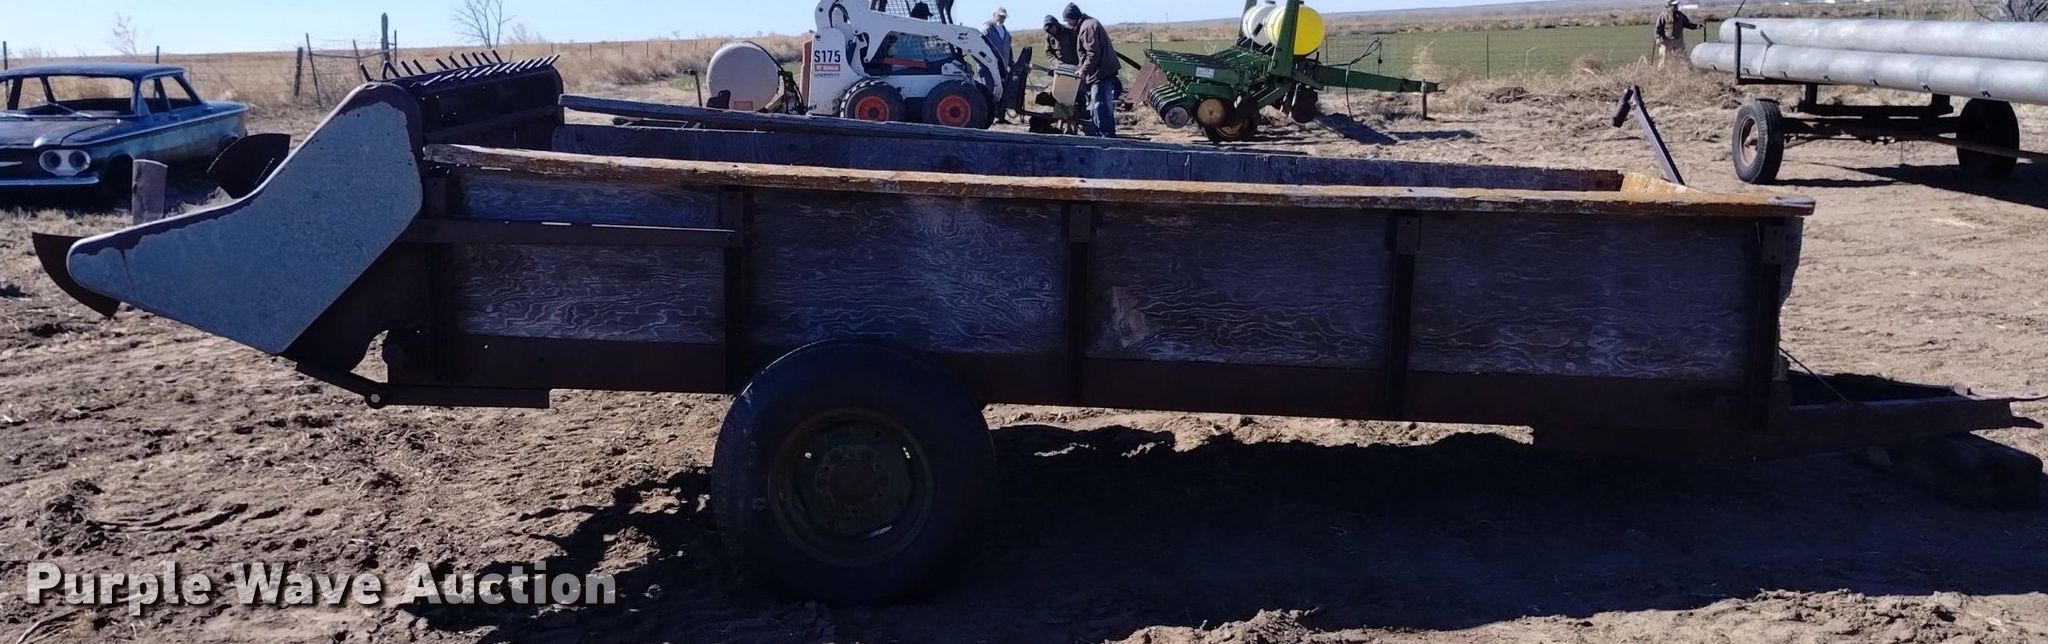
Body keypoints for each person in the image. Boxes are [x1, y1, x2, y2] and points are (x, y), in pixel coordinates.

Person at [1065, 3, 1120, 137]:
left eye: (1067, 20)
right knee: (1099, 103)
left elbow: (1092, 53)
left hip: (1100, 72)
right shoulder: (1089, 23)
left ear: (1073, 18)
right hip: (1101, 71)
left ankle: (1105, 135)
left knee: (1100, 104)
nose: (1067, 24)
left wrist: (1083, 70)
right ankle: (1101, 133)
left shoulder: (1087, 28)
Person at [1653, 0, 1700, 66]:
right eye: (1674, 5)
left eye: (1676, 5)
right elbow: (1658, 29)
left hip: (1678, 40)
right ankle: (1661, 72)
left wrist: (1696, 26)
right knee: (1663, 60)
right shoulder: (1663, 15)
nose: (1676, 6)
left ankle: (1683, 70)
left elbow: (1687, 24)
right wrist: (1658, 39)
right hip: (1666, 41)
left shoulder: (1680, 15)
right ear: (1669, 6)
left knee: (1682, 58)